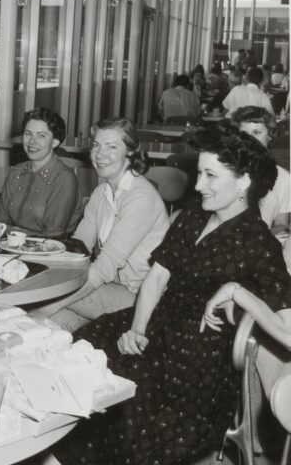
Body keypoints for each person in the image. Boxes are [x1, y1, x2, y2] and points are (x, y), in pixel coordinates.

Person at [51, 123, 290, 465]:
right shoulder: (193, 217)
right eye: (199, 173)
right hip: (157, 322)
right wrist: (137, 328)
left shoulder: (260, 245)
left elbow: (288, 332)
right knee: (83, 349)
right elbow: (157, 278)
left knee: (127, 401)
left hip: (198, 358)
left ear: (244, 182)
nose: (197, 185)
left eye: (210, 175)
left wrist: (240, 293)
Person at [36, 117, 170, 332]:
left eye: (111, 146)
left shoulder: (141, 198)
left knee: (45, 297)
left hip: (141, 299)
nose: (99, 155)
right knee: (51, 326)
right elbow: (78, 249)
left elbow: (104, 267)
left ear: (130, 152)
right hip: (111, 290)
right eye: (96, 145)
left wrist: (44, 305)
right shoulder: (102, 193)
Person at [0, 107, 82, 237]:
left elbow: (52, 236)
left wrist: (11, 233)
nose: (32, 141)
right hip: (11, 245)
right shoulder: (16, 172)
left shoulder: (64, 179)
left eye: (41, 135)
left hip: (48, 252)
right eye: (28, 133)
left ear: (55, 142)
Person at [230, 106, 290, 233]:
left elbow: (280, 225)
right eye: (244, 134)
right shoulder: (228, 172)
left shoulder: (284, 178)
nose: (249, 140)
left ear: (270, 136)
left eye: (256, 132)